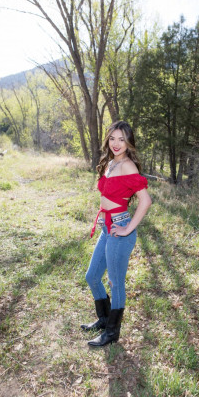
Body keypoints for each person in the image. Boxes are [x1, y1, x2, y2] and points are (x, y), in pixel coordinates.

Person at [81, 120, 152, 347]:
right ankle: (103, 318)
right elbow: (110, 195)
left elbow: (145, 200)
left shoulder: (128, 165)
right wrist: (103, 213)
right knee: (92, 276)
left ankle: (112, 331)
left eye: (121, 139)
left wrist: (128, 228)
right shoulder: (110, 162)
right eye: (112, 138)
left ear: (129, 141)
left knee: (115, 282)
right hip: (107, 226)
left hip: (120, 230)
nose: (116, 143)